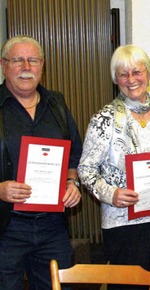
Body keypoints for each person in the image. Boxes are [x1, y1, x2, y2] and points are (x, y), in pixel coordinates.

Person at [77, 45, 150, 290]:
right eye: (123, 74)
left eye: (137, 72)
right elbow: (85, 170)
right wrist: (111, 194)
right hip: (123, 221)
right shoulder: (104, 119)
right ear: (116, 79)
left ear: (148, 74)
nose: (131, 80)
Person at [0, 36, 83, 289]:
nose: (26, 66)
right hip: (6, 228)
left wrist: (72, 182)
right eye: (18, 60)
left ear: (42, 65)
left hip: (52, 227)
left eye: (33, 60)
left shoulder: (56, 104)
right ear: (4, 65)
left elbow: (74, 154)